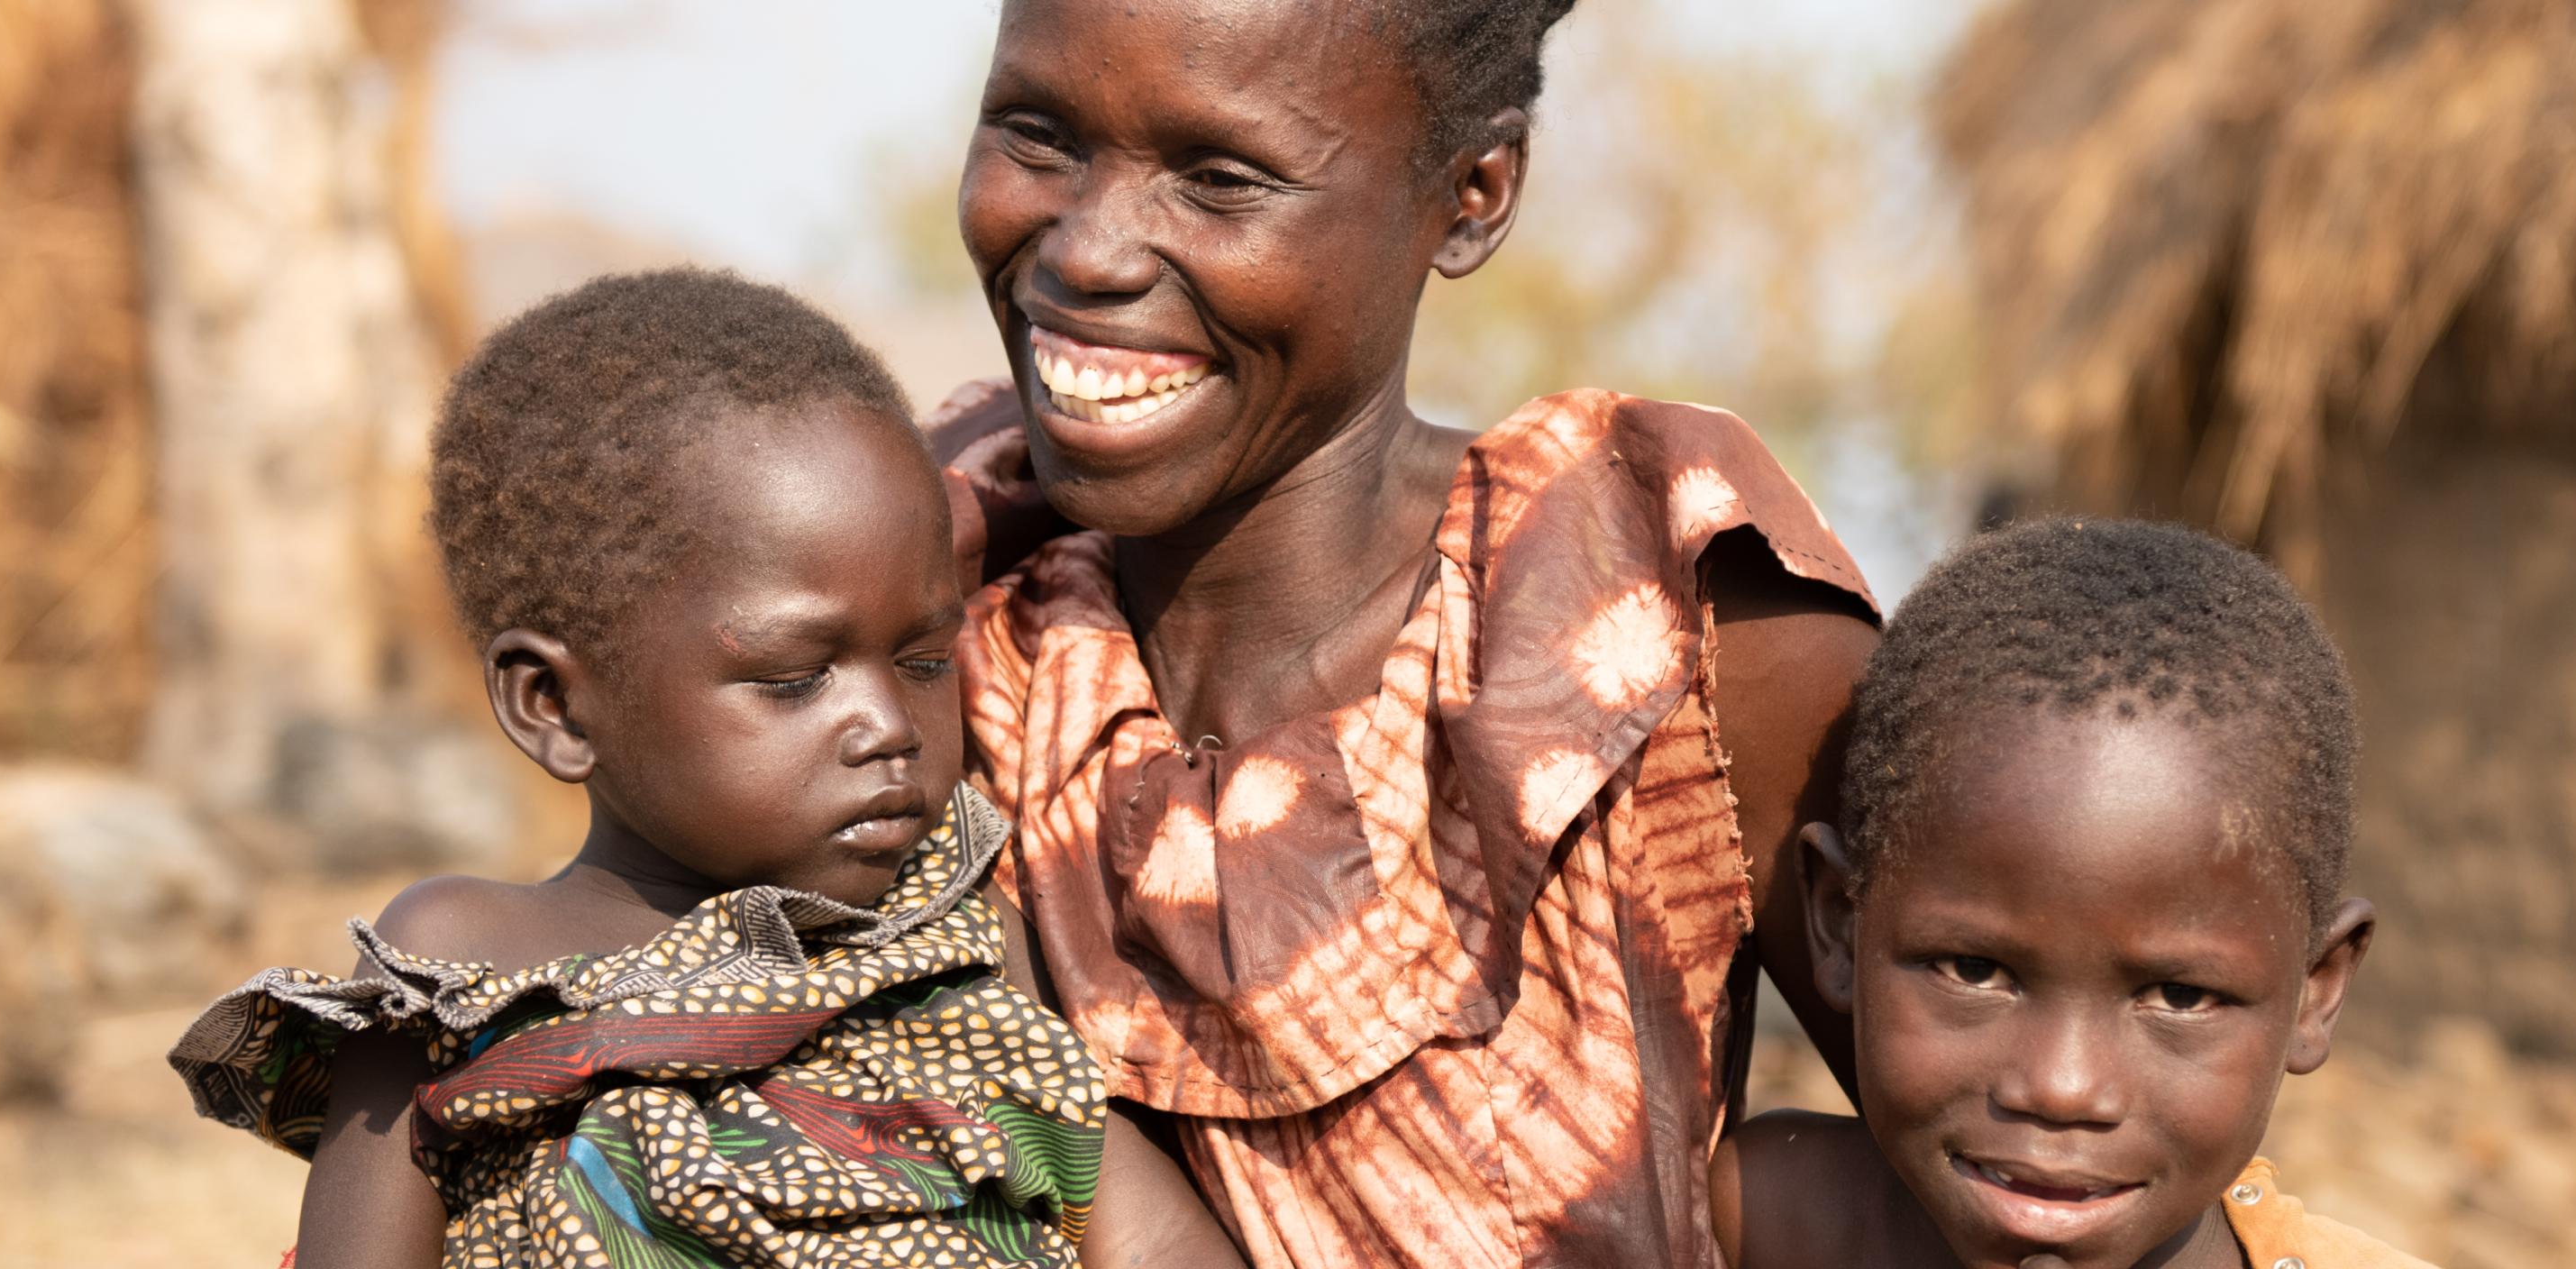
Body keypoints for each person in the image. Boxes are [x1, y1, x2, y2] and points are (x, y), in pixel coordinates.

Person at [930, 0, 1884, 1264]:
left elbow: (2060, 1144)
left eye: (1220, 180)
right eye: (1038, 137)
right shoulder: (932, 621)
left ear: (1474, 195)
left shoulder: (1647, 602)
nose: (1088, 251)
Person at [169, 269, 1106, 1269]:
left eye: (923, 661)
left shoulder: (954, 933)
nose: (888, 724)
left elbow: (1134, 1231)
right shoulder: (462, 971)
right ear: (555, 706)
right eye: (793, 678)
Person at [1711, 519, 2428, 1269]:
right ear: (1840, 924)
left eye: (2179, 997)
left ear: (2315, 993)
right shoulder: (1754, 1226)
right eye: (1974, 970)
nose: (2061, 1088)